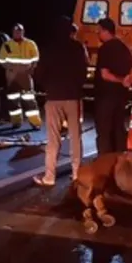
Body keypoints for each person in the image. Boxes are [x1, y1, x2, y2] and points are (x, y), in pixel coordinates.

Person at [33, 16, 89, 187]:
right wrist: (76, 86)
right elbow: (84, 70)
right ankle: (77, 173)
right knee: (75, 136)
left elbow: (39, 73)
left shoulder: (49, 49)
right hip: (73, 96)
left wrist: (47, 86)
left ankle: (49, 177)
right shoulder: (78, 48)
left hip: (54, 97)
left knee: (53, 138)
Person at [93, 17, 132, 154]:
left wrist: (121, 80)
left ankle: (105, 163)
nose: (97, 34)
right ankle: (121, 161)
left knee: (104, 131)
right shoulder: (123, 47)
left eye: (99, 31)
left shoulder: (105, 49)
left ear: (106, 31)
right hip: (120, 96)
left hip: (105, 96)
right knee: (118, 128)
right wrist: (128, 79)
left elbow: (105, 74)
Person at [0, 23, 42, 129]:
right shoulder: (7, 45)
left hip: (25, 77)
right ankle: (16, 122)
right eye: (16, 31)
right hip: (12, 77)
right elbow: (1, 60)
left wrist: (30, 70)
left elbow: (36, 59)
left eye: (20, 31)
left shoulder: (30, 44)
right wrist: (11, 68)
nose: (18, 33)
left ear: (23, 32)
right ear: (12, 32)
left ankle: (35, 123)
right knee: (13, 101)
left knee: (30, 100)